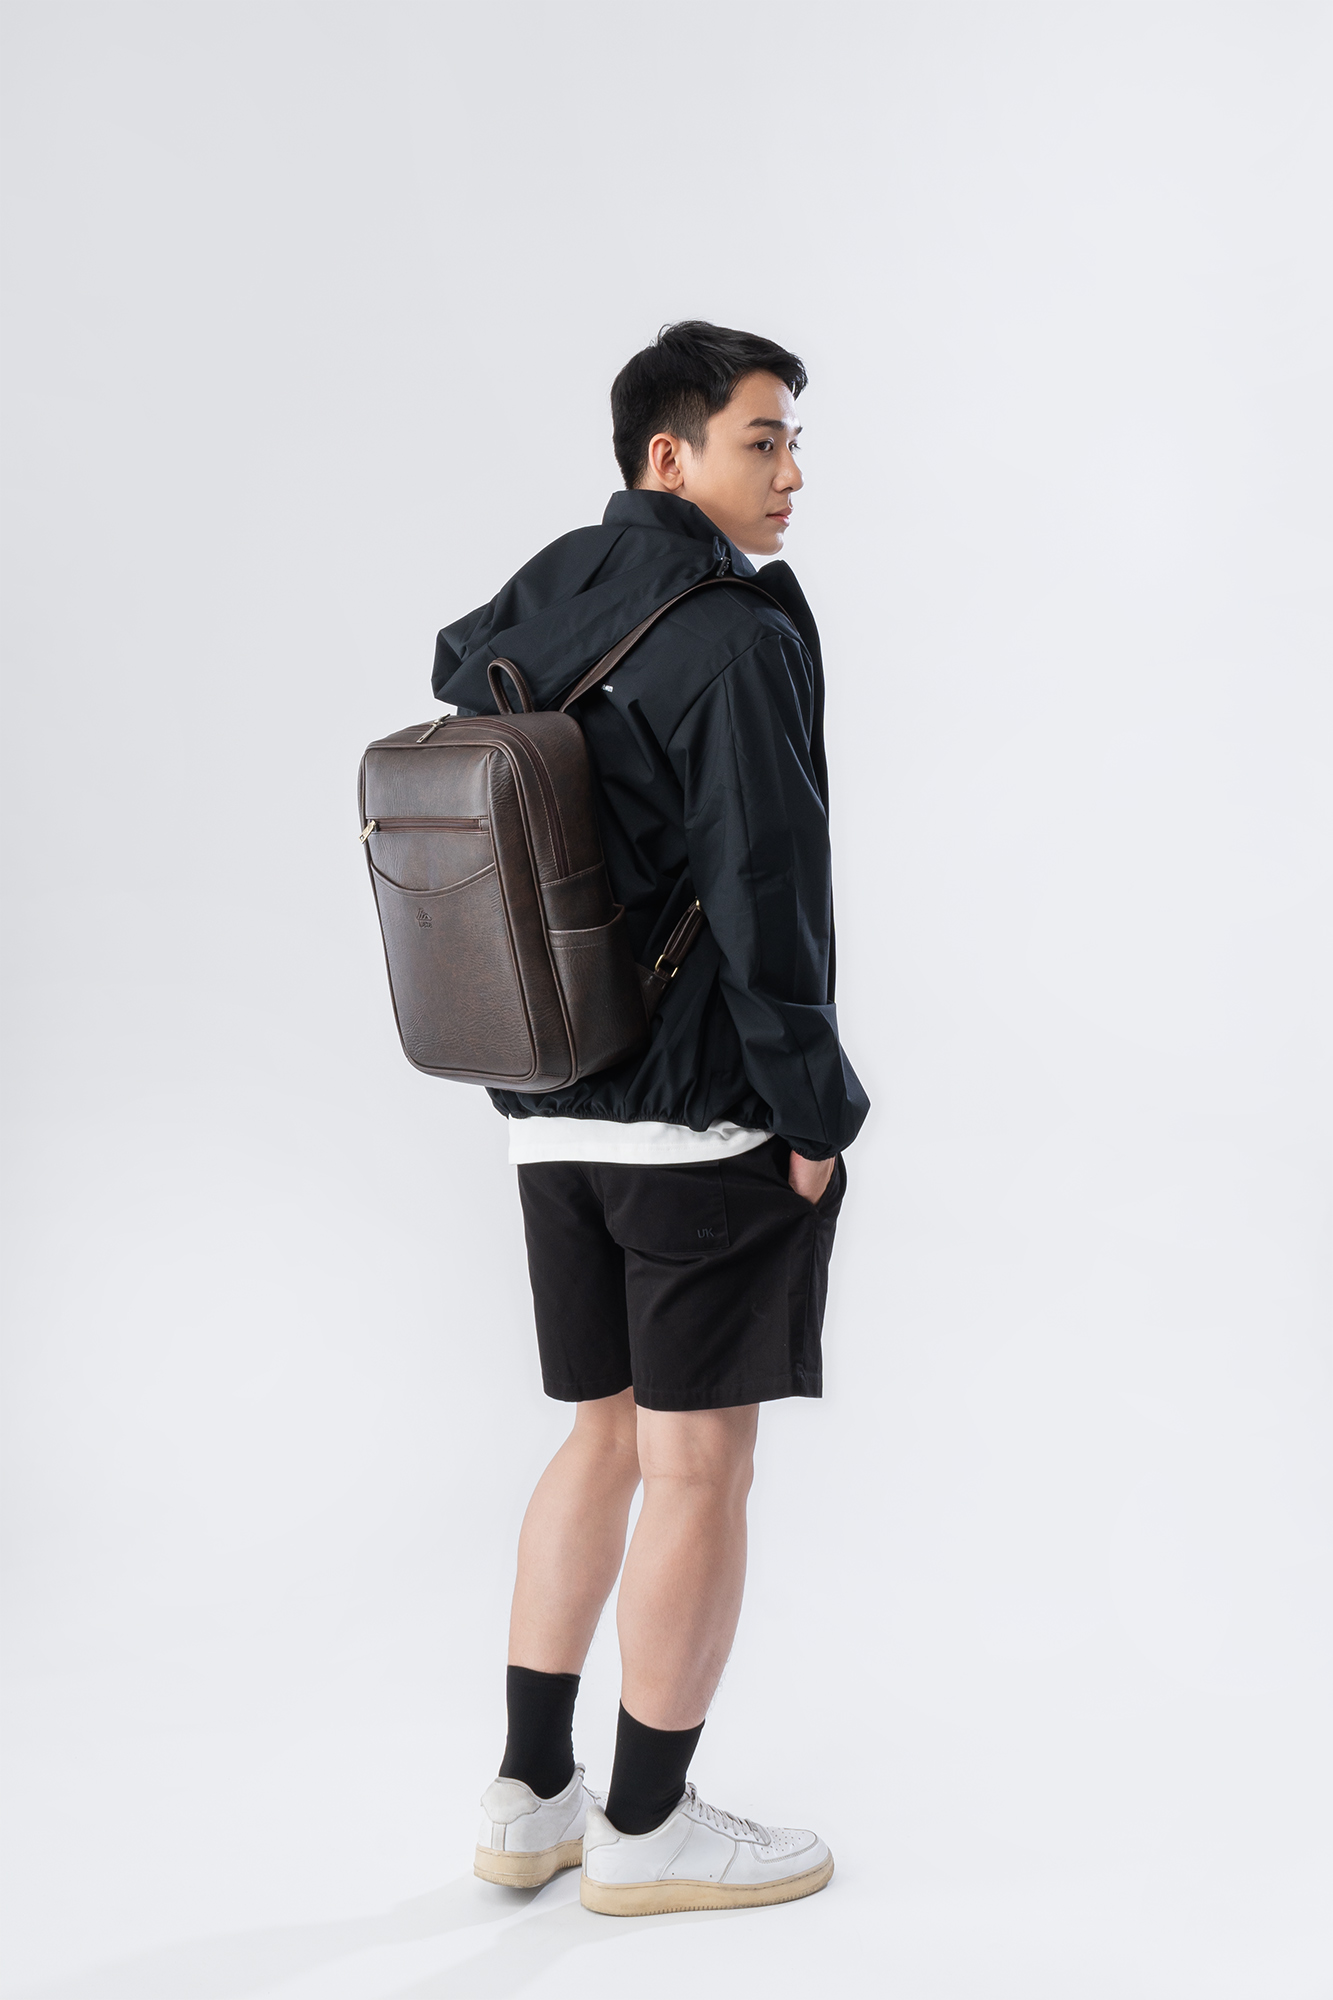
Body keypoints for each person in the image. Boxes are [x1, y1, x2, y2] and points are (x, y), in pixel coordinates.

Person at [432, 322, 869, 1916]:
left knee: (600, 1437)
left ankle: (527, 1799)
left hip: (545, 1104)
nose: (793, 472)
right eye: (763, 439)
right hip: (693, 1117)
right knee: (695, 1469)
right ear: (667, 456)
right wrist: (812, 1112)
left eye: (795, 439)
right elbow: (764, 888)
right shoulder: (729, 634)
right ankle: (646, 1827)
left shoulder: (538, 602)